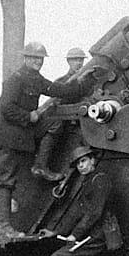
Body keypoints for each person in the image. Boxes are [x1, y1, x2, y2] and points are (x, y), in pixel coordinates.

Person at [0, 41, 99, 239]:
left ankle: (41, 165)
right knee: (6, 179)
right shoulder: (16, 79)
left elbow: (61, 90)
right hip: (9, 135)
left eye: (40, 59)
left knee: (53, 121)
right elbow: (6, 108)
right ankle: (4, 226)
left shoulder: (36, 78)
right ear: (25, 58)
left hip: (22, 135)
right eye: (33, 58)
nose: (37, 62)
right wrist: (27, 116)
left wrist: (85, 79)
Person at [44, 146, 116, 256]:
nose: (80, 166)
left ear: (92, 160)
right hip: (92, 233)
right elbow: (77, 213)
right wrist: (56, 232)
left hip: (99, 234)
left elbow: (94, 213)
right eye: (78, 164)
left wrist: (75, 234)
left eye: (83, 161)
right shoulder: (88, 181)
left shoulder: (100, 179)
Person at [31, 46, 94, 181]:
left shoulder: (87, 79)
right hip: (65, 125)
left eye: (80, 60)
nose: (78, 63)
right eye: (75, 60)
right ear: (69, 62)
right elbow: (57, 104)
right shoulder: (62, 81)